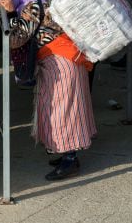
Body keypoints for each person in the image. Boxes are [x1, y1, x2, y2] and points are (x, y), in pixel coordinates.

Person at [32, 11, 96, 180]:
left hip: (62, 61)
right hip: (63, 58)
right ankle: (68, 154)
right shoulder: (49, 0)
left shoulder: (46, 3)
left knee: (64, 112)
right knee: (63, 110)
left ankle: (70, 159)